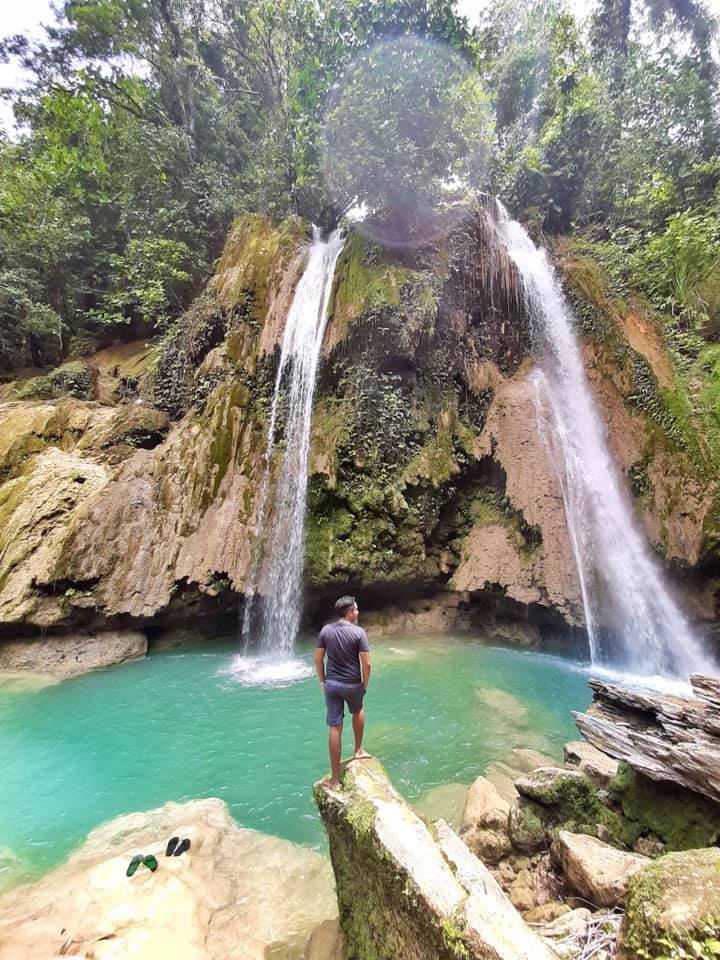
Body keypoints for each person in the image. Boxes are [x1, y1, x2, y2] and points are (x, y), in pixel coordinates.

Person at [314, 595, 371, 789]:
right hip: (353, 684)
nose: (358, 612)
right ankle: (358, 750)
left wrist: (322, 680)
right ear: (349, 613)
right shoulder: (359, 633)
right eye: (356, 609)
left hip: (332, 685)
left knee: (334, 728)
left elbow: (317, 658)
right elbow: (367, 663)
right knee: (358, 710)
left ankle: (335, 780)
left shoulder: (326, 631)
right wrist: (365, 684)